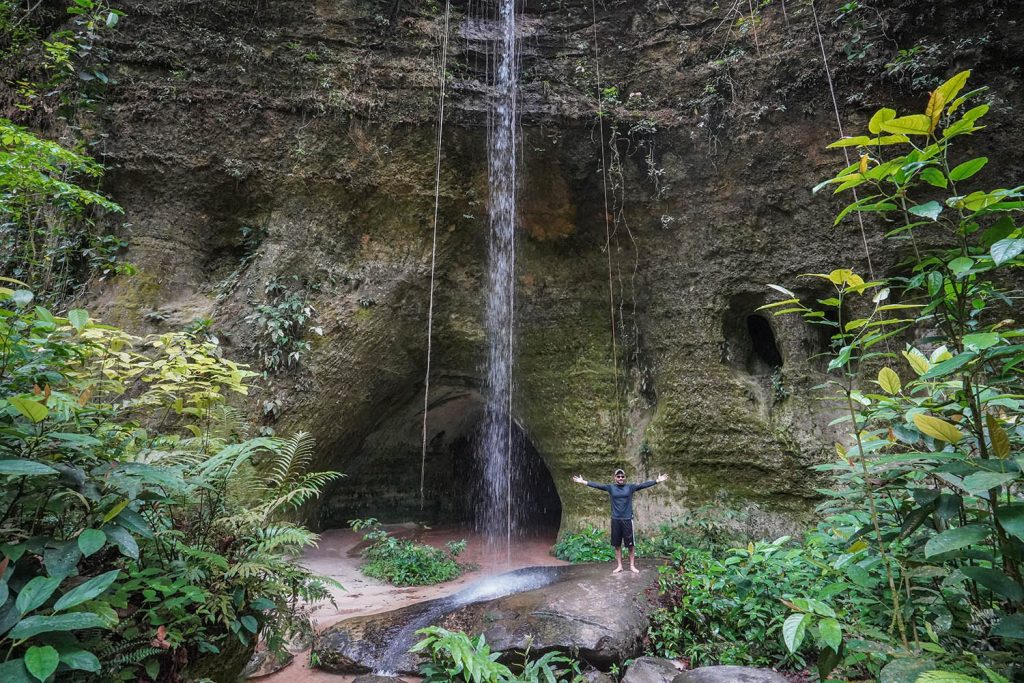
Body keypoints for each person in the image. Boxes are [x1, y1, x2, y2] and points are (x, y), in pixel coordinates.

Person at [572, 469, 669, 574]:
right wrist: (584, 482)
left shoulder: (630, 488)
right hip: (616, 520)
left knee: (630, 545)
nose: (620, 478)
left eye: (622, 476)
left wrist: (657, 481)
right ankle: (619, 566)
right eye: (618, 476)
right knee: (617, 544)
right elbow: (598, 486)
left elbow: (643, 485)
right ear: (615, 478)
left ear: (625, 477)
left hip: (627, 519)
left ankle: (632, 566)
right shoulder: (611, 488)